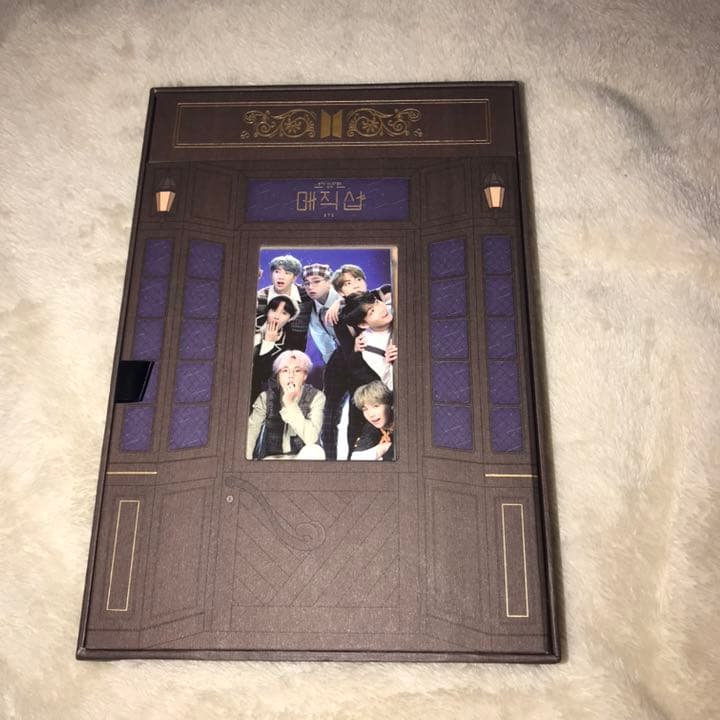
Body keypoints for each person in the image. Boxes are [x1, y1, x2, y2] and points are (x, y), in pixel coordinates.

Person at [301, 263, 350, 460]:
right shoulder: (312, 307)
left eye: (316, 282)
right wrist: (335, 366)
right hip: (337, 360)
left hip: (361, 355)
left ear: (329, 282)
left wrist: (341, 301)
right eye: (306, 283)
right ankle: (330, 459)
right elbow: (324, 343)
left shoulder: (344, 297)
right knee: (328, 411)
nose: (310, 287)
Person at [246, 350, 326, 460]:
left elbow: (311, 439)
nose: (291, 376)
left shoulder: (317, 397)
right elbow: (250, 433)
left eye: (297, 371)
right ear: (278, 376)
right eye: (285, 371)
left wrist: (290, 404)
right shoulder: (265, 397)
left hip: (303, 459)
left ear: (305, 376)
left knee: (316, 451)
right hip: (272, 461)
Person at [250, 294, 304, 404]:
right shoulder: (249, 322)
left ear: (290, 318)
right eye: (274, 310)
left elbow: (262, 375)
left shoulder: (288, 344)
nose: (277, 316)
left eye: (284, 313)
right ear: (267, 311)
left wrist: (268, 342)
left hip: (251, 387)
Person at [341, 290, 397, 391]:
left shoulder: (394, 308)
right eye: (372, 311)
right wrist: (391, 363)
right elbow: (391, 386)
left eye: (377, 302)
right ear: (363, 324)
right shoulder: (368, 349)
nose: (381, 309)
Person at [256, 254, 312, 350]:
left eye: (287, 273)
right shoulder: (260, 298)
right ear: (271, 274)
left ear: (294, 278)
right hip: (267, 349)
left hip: (297, 351)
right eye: (277, 272)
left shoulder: (307, 295)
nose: (281, 277)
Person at [350, 381, 395, 461]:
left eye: (376, 406)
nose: (371, 414)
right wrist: (381, 449)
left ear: (389, 404)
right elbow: (357, 458)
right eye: (365, 409)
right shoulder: (370, 427)